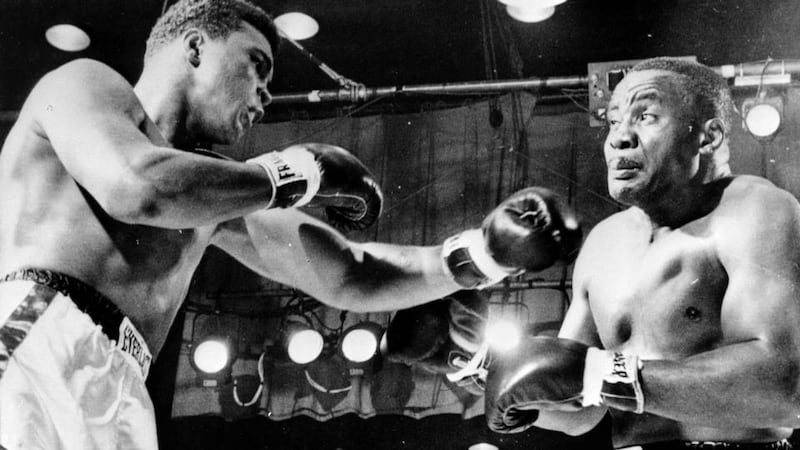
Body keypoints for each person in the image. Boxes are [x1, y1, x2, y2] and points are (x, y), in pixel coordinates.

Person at [0, 0, 582, 448]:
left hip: (123, 389)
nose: (266, 93)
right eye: (256, 65)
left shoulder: (216, 193)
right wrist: (295, 169)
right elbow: (138, 187)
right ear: (195, 46)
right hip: (33, 338)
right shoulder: (86, 85)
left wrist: (486, 252)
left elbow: (350, 275)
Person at [484, 57, 800, 450]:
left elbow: (783, 388)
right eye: (614, 121)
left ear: (708, 137)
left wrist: (601, 374)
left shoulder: (755, 209)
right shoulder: (605, 241)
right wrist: (506, 378)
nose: (619, 137)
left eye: (645, 116)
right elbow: (582, 409)